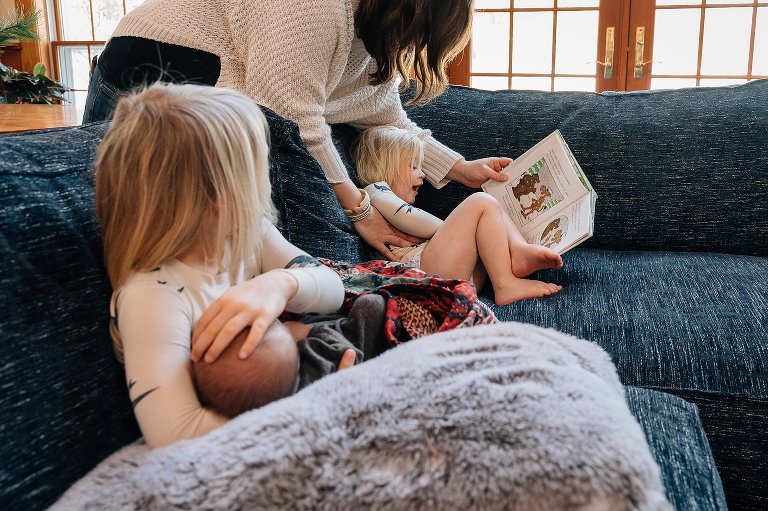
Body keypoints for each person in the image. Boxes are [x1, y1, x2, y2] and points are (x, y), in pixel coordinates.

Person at [82, 0, 512, 261]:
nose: (410, 49)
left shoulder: (374, 33)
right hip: (157, 66)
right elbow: (295, 121)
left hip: (222, 90)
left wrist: (461, 169)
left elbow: (385, 115)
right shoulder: (312, 10)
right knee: (117, 219)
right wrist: (359, 210)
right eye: (416, 37)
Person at [96, 83, 354, 448]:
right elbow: (177, 432)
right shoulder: (152, 298)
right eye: (257, 169)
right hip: (278, 421)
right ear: (217, 197)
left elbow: (334, 292)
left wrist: (279, 285)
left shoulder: (246, 235)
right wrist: (313, 408)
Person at [352, 126, 564, 305]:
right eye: (413, 166)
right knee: (481, 202)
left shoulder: (381, 196)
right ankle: (505, 284)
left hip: (452, 274)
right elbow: (427, 226)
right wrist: (456, 227)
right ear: (385, 167)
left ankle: (518, 251)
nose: (423, 174)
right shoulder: (376, 191)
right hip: (426, 274)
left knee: (493, 206)